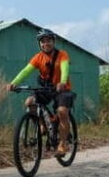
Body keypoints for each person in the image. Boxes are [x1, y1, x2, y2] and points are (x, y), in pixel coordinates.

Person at [7, 28, 75, 157]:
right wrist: (14, 83)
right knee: (29, 102)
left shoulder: (62, 55)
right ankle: (42, 124)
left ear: (53, 42)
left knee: (62, 111)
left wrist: (62, 81)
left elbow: (65, 69)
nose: (45, 44)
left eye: (48, 40)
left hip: (62, 89)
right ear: (40, 44)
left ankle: (62, 144)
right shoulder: (38, 58)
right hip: (47, 88)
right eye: (43, 42)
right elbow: (26, 71)